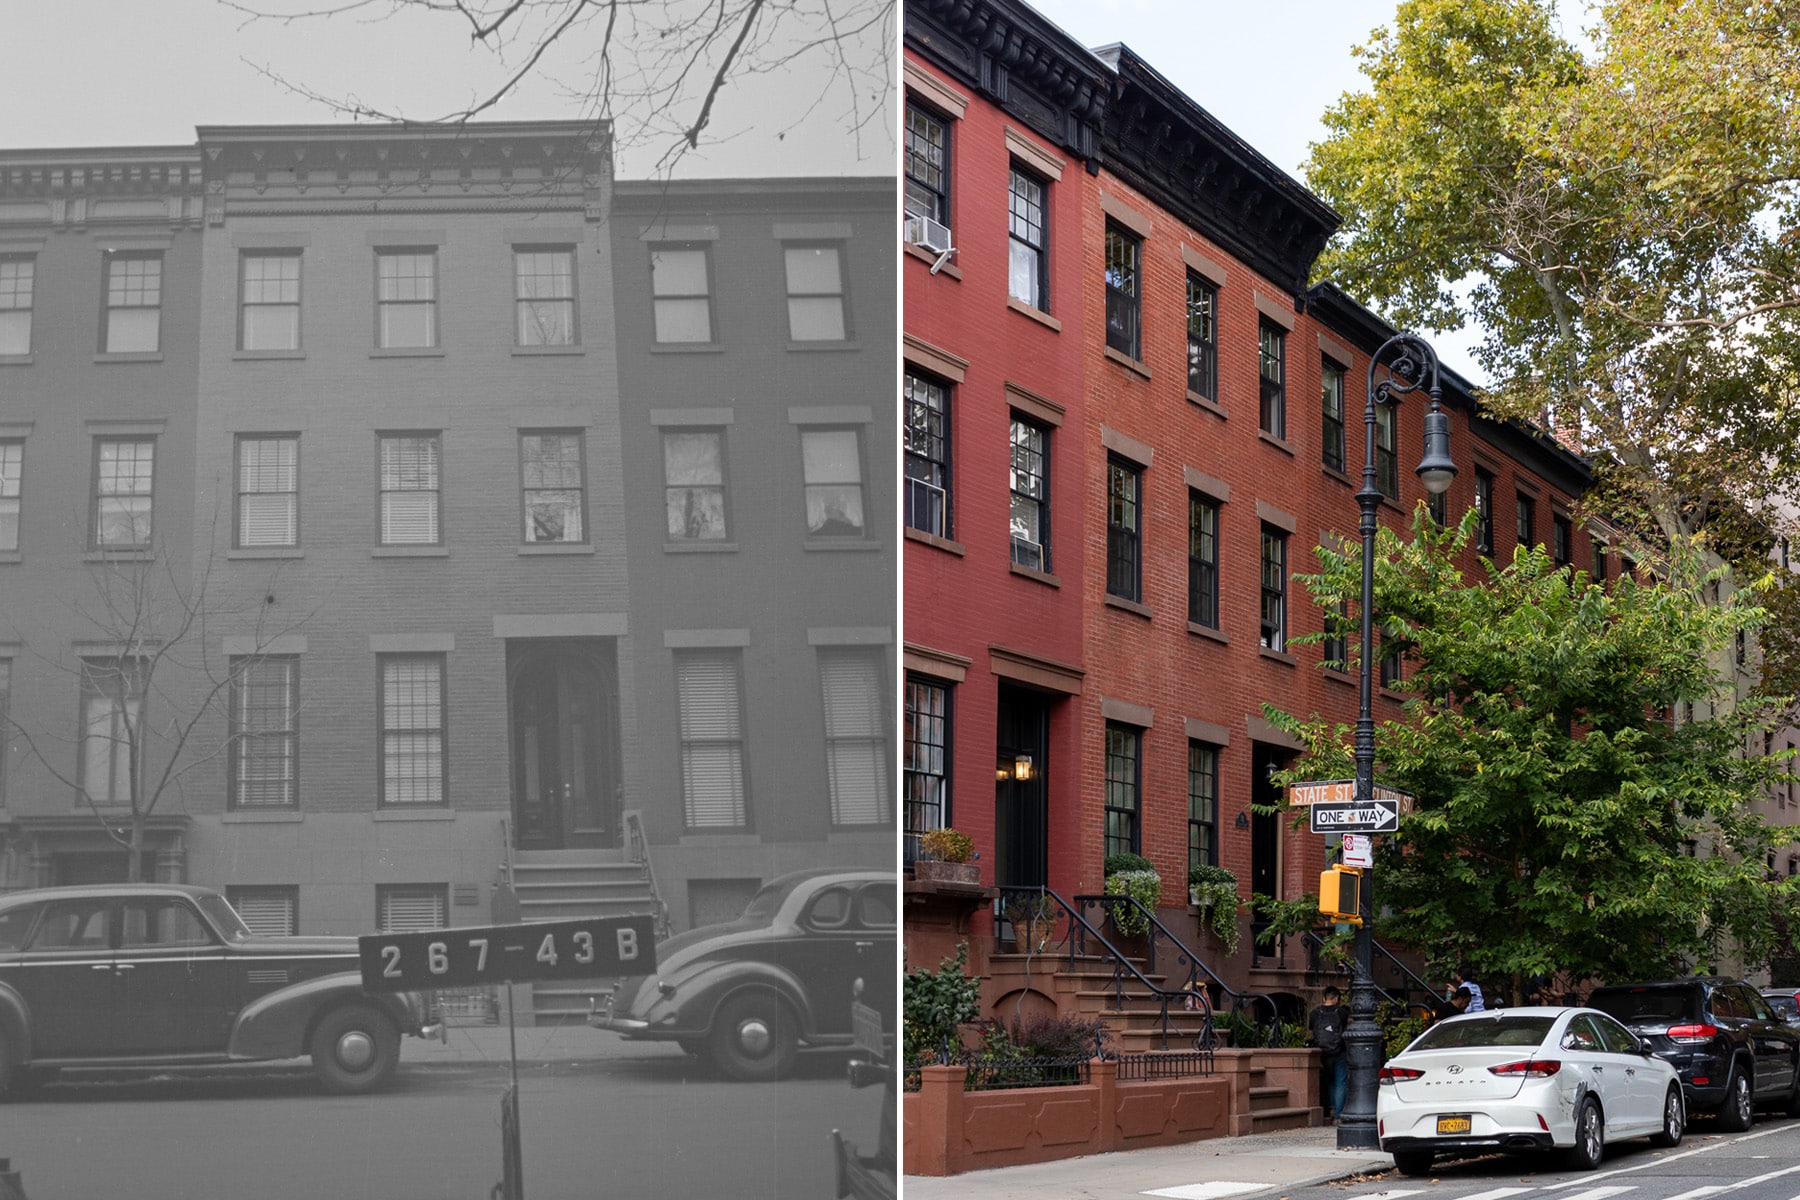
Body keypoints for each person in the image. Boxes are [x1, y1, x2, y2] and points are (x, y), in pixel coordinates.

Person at [1309, 986, 1347, 1121]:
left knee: (1330, 1081)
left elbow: (1311, 1029)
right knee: (1340, 1082)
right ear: (1336, 998)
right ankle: (1338, 1114)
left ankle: (1331, 1108)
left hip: (1322, 1053)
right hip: (1339, 1051)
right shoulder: (1342, 1012)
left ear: (1324, 998)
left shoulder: (1314, 1013)